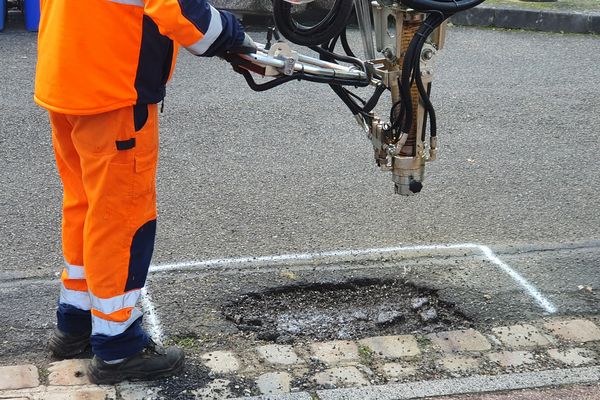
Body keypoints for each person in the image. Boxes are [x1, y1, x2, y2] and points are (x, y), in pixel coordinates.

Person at [34, 0, 256, 384]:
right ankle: (118, 347)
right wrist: (235, 37)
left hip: (66, 79)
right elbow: (179, 10)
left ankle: (75, 322)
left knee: (83, 205)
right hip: (113, 90)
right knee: (120, 220)